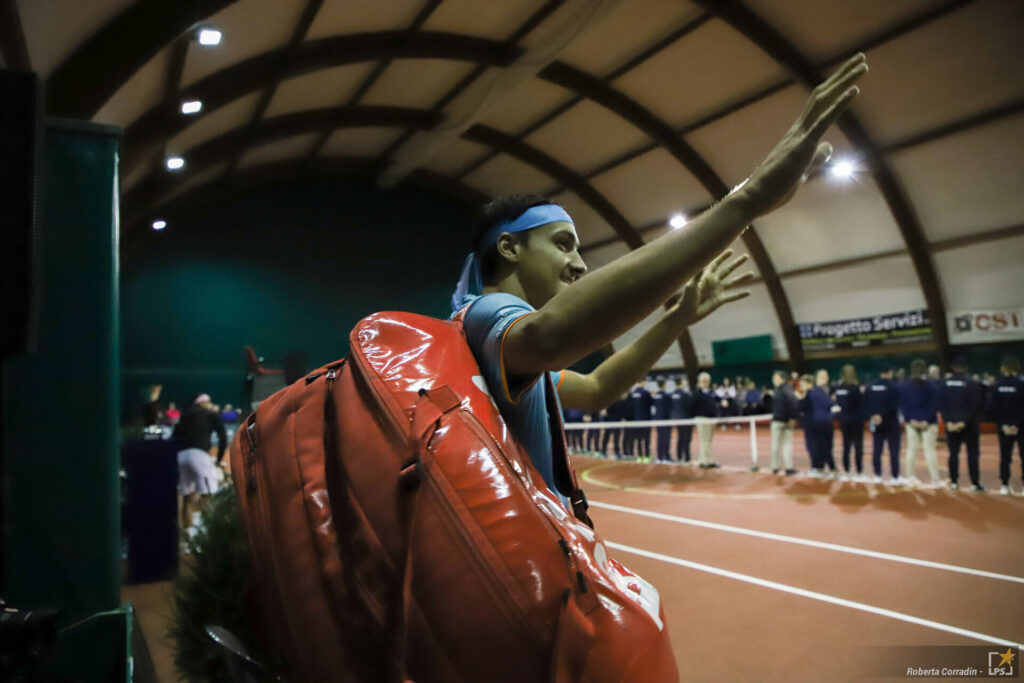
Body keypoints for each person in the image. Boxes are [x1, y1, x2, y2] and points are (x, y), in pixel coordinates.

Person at [447, 53, 866, 505]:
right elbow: (550, 335)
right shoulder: (486, 314)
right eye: (563, 244)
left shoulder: (502, 348)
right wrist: (747, 201)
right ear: (510, 248)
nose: (579, 263)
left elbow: (596, 390)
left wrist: (677, 318)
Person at [173, 393, 228, 533]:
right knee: (210, 492)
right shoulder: (210, 414)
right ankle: (206, 531)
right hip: (199, 455)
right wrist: (219, 460)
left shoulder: (185, 416)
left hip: (181, 456)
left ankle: (185, 531)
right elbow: (223, 438)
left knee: (185, 494)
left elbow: (174, 437)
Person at [938, 356, 985, 492]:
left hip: (951, 425)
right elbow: (976, 405)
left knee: (953, 454)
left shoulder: (944, 384)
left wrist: (948, 421)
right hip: (970, 425)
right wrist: (963, 421)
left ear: (952, 367)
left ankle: (953, 482)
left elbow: (941, 405)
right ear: (966, 368)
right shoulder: (972, 383)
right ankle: (975, 483)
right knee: (972, 454)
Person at [899, 359, 941, 487]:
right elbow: (935, 405)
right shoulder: (932, 385)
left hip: (911, 423)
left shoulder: (905, 386)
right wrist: (927, 420)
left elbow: (903, 405)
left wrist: (910, 420)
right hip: (928, 423)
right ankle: (935, 479)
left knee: (911, 450)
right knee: (929, 451)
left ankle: (910, 477)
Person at [991, 356, 1024, 495]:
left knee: (1005, 456)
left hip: (1003, 427)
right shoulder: (1021, 385)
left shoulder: (997, 385)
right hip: (1021, 427)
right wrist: (1016, 425)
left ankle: (1004, 485)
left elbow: (992, 408)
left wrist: (1003, 425)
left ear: (1003, 369)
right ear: (1017, 369)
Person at [863, 367, 901, 484]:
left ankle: (877, 475)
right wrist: (883, 416)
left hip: (875, 422)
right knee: (894, 450)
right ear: (890, 372)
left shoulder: (870, 387)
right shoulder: (894, 386)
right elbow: (895, 404)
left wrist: (873, 416)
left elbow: (865, 403)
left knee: (877, 449)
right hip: (891, 422)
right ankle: (894, 476)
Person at [801, 370, 837, 478]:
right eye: (822, 376)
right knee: (826, 446)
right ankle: (831, 468)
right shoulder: (824, 391)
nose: (825, 378)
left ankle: (818, 468)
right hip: (826, 422)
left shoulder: (813, 392)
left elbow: (803, 407)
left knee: (815, 446)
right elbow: (831, 404)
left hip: (816, 423)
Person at [833, 365, 864, 480]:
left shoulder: (838, 388)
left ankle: (846, 470)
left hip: (844, 420)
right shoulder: (856, 388)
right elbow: (861, 403)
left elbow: (835, 401)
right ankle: (859, 471)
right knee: (858, 446)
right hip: (856, 419)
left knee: (846, 445)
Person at [769, 370, 799, 475]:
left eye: (775, 378)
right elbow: (794, 403)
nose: (774, 380)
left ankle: (775, 466)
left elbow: (793, 403)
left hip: (779, 420)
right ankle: (788, 467)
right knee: (786, 444)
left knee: (776, 444)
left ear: (781, 378)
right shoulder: (787, 389)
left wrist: (791, 418)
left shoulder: (781, 390)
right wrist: (792, 417)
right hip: (784, 420)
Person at [691, 372, 720, 468]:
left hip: (711, 419)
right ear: (699, 382)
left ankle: (707, 458)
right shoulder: (696, 393)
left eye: (707, 381)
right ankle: (703, 460)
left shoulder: (711, 392)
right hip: (702, 419)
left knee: (709, 440)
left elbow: (717, 400)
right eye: (703, 381)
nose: (705, 383)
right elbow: (692, 406)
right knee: (704, 440)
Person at [626, 380, 654, 462]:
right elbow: (651, 403)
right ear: (643, 382)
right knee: (646, 439)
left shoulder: (633, 393)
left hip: (636, 420)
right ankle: (647, 456)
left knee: (638, 439)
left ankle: (639, 456)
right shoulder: (645, 393)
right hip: (645, 420)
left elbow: (630, 407)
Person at [669, 377, 693, 465]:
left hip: (678, 420)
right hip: (686, 419)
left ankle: (679, 457)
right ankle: (686, 458)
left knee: (680, 438)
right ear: (681, 382)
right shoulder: (685, 394)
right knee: (686, 439)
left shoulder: (672, 394)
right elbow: (690, 407)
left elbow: (671, 407)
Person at [653, 378, 673, 462]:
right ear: (664, 385)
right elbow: (671, 407)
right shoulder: (667, 396)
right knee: (666, 438)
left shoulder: (656, 395)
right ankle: (666, 456)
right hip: (665, 420)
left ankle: (660, 456)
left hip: (658, 419)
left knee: (660, 438)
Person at [603, 394, 627, 459]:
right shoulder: (611, 401)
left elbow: (623, 412)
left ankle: (616, 453)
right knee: (608, 436)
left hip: (615, 421)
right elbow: (607, 411)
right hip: (611, 421)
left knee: (615, 438)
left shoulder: (621, 401)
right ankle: (604, 451)